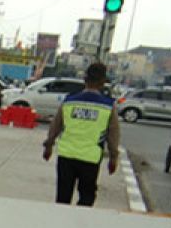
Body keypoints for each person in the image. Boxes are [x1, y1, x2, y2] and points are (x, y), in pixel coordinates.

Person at [42, 62, 120, 207]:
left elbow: (56, 125)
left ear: (85, 79)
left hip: (66, 155)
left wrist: (48, 146)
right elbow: (113, 134)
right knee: (87, 197)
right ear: (103, 82)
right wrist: (113, 158)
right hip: (90, 158)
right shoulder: (108, 106)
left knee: (63, 198)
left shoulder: (70, 101)